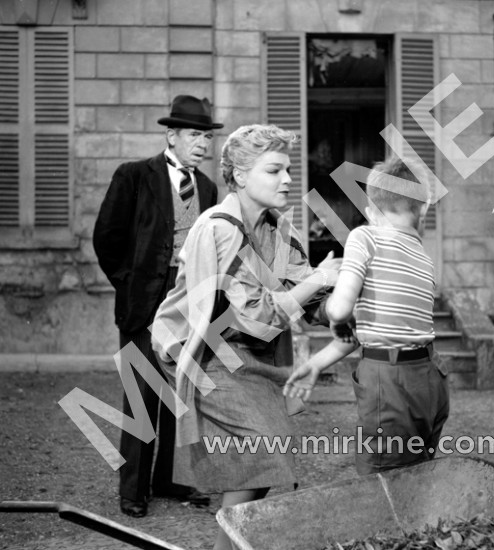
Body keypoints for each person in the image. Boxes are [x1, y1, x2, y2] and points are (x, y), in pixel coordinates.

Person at [151, 124, 341, 550]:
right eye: (274, 170)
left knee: (263, 459)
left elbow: (308, 299)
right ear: (239, 176)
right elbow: (258, 313)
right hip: (204, 354)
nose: (288, 179)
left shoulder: (277, 228)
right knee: (265, 448)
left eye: (288, 169)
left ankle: (231, 544)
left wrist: (345, 300)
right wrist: (318, 282)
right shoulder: (219, 227)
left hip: (248, 353)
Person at [93, 95, 223, 518]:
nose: (202, 143)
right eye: (193, 135)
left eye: (206, 136)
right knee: (141, 395)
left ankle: (167, 479)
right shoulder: (134, 176)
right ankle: (132, 490)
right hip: (143, 303)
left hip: (189, 302)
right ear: (172, 136)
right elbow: (107, 238)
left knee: (177, 394)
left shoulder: (207, 187)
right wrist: (130, 284)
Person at [284, 156, 449, 474]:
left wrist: (334, 315)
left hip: (388, 380)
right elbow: (376, 329)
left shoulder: (365, 237)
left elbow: (341, 309)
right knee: (417, 471)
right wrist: (316, 364)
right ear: (424, 210)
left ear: (371, 212)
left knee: (381, 477)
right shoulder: (423, 258)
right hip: (430, 379)